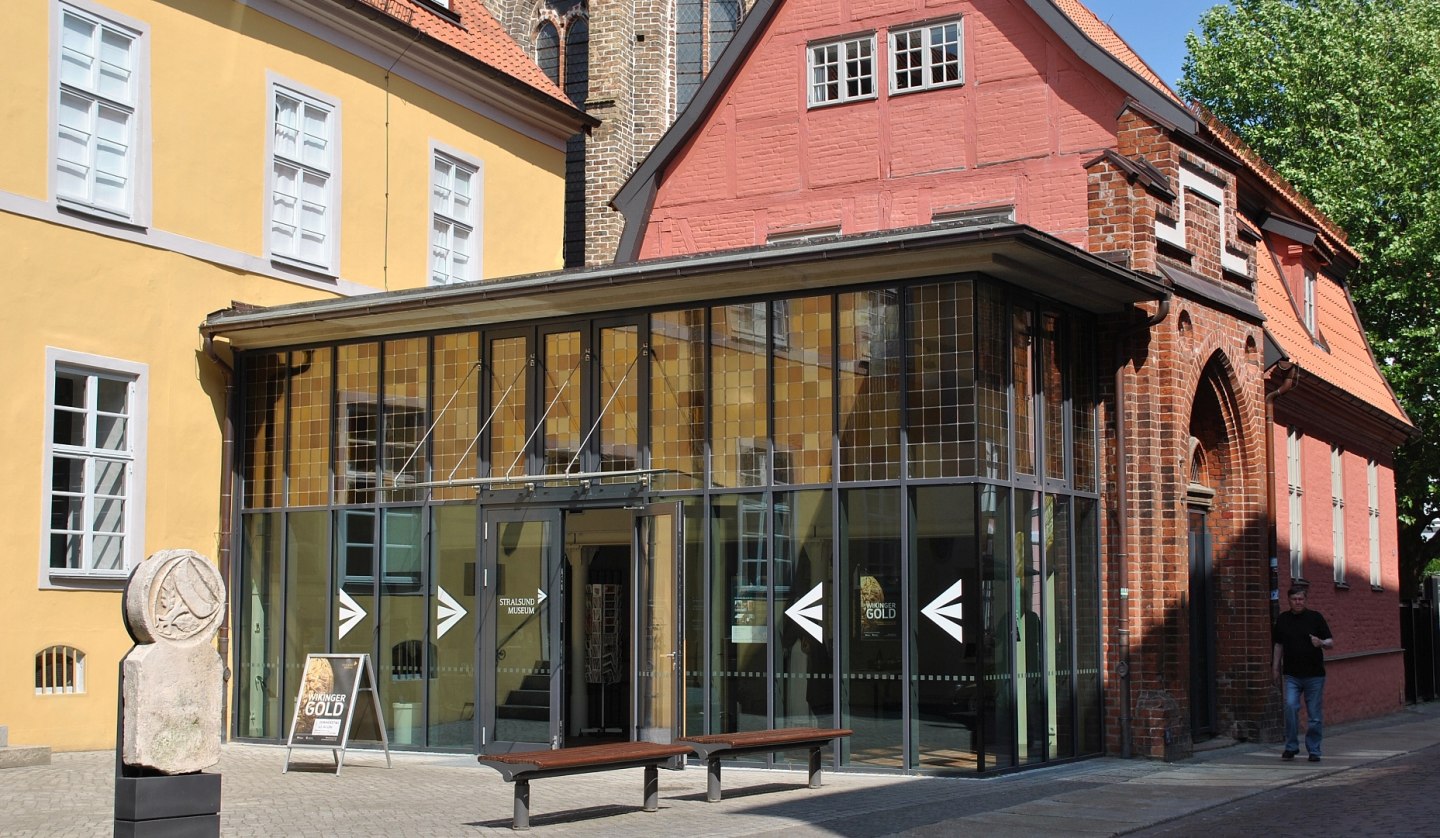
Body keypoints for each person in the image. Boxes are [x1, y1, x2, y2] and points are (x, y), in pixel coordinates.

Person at [1271, 585, 1334, 762]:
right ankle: (1291, 746)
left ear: (1305, 600)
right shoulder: (1283, 619)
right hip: (1292, 674)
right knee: (1290, 708)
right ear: (1289, 601)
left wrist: (1320, 642)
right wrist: (1275, 668)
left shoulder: (1315, 618)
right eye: (1294, 599)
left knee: (1314, 715)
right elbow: (1278, 645)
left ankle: (1314, 750)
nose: (1298, 602)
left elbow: (1331, 642)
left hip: (1314, 675)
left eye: (1301, 599)